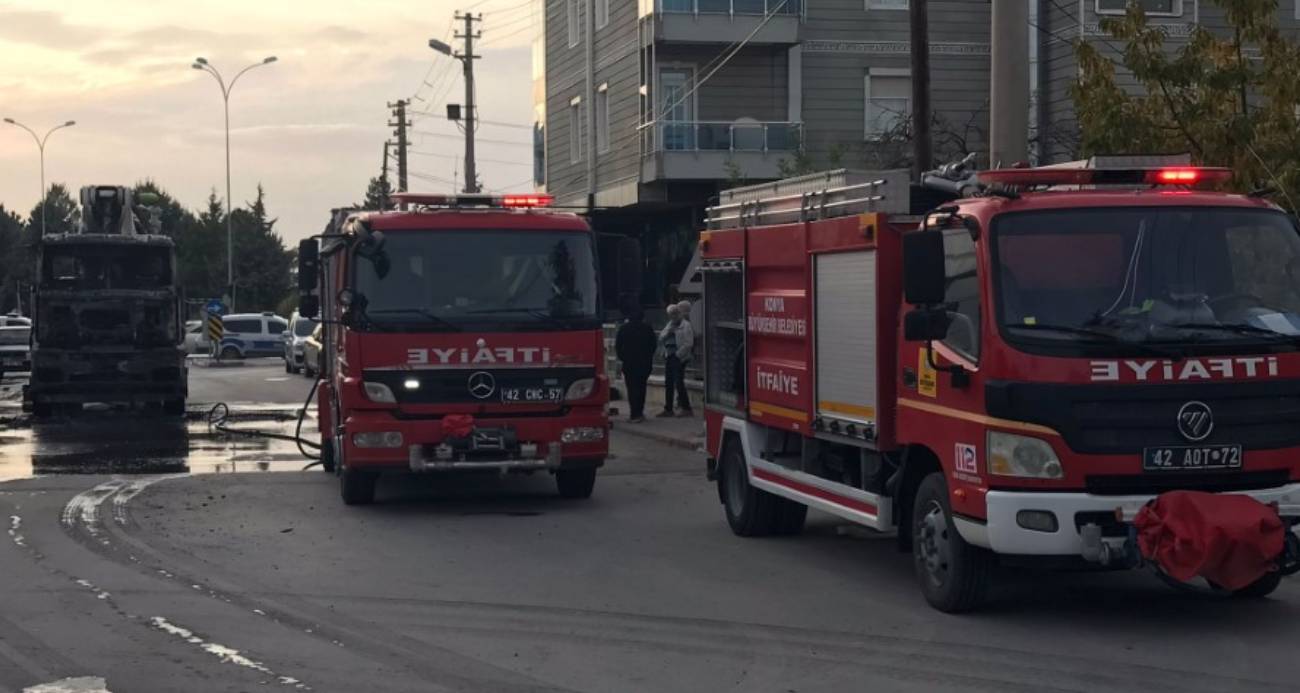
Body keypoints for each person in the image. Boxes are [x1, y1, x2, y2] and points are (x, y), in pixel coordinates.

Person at [614, 307, 656, 422]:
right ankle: (640, 412)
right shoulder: (647, 328)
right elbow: (653, 345)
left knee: (632, 388)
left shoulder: (624, 329)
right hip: (644, 363)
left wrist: (623, 358)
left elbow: (618, 346)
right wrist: (648, 357)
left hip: (629, 363)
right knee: (642, 387)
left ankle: (634, 413)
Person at [658, 302, 695, 417]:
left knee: (678, 382)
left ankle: (686, 407)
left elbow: (689, 343)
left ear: (679, 314)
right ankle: (668, 408)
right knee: (668, 382)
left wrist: (678, 355)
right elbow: (661, 337)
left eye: (675, 314)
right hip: (669, 355)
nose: (673, 316)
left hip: (678, 356)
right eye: (671, 314)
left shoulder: (686, 325)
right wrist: (669, 332)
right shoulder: (670, 324)